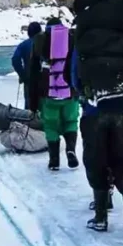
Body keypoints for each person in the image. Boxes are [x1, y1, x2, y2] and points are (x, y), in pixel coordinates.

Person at [71, 0, 123, 232]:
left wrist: (81, 93)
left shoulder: (85, 39)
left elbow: (73, 75)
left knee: (96, 161)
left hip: (94, 111)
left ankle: (101, 216)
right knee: (122, 161)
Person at [28, 17, 80, 171]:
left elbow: (33, 74)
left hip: (47, 93)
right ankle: (71, 149)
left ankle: (54, 161)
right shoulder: (73, 38)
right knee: (71, 122)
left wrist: (33, 103)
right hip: (70, 92)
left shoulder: (39, 42)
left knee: (51, 126)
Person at [11, 21, 42, 108]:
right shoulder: (45, 43)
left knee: (29, 106)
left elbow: (15, 59)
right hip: (44, 78)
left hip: (29, 79)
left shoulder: (23, 45)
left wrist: (22, 74)